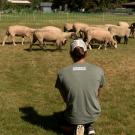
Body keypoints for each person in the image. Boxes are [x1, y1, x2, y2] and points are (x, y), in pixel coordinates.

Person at [55, 39, 105, 135]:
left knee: (59, 121)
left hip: (73, 114)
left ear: (70, 53)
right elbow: (97, 95)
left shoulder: (62, 73)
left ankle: (76, 128)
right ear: (86, 53)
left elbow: (66, 99)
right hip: (93, 113)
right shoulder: (98, 70)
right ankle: (89, 126)